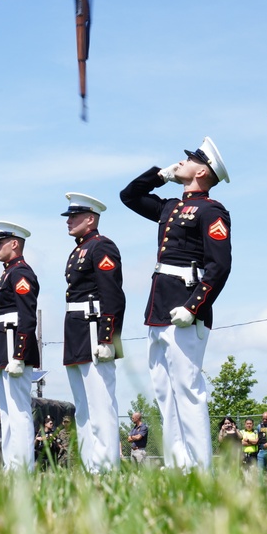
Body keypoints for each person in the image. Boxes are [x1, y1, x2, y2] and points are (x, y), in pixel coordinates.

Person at [120, 136, 232, 470]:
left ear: (203, 171)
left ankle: (199, 467)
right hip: (159, 310)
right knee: (165, 394)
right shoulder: (170, 207)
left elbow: (219, 266)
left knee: (187, 389)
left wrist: (194, 306)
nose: (181, 161)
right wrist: (160, 174)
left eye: (189, 159)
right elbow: (129, 196)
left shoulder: (211, 211)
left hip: (185, 308)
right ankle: (177, 463)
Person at [61, 192, 126, 472]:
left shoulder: (102, 247)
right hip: (76, 330)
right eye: (68, 216)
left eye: (74, 216)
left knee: (101, 404)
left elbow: (113, 295)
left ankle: (107, 467)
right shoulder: (79, 249)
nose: (69, 221)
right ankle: (91, 466)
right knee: (84, 408)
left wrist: (108, 338)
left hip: (93, 329)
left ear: (91, 218)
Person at [0, 221, 41, 470]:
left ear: (15, 244)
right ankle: (12, 466)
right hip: (3, 344)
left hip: (13, 346)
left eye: (0, 243)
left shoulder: (20, 273)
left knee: (18, 410)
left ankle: (22, 468)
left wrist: (19, 355)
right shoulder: (9, 273)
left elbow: (27, 316)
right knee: (7, 412)